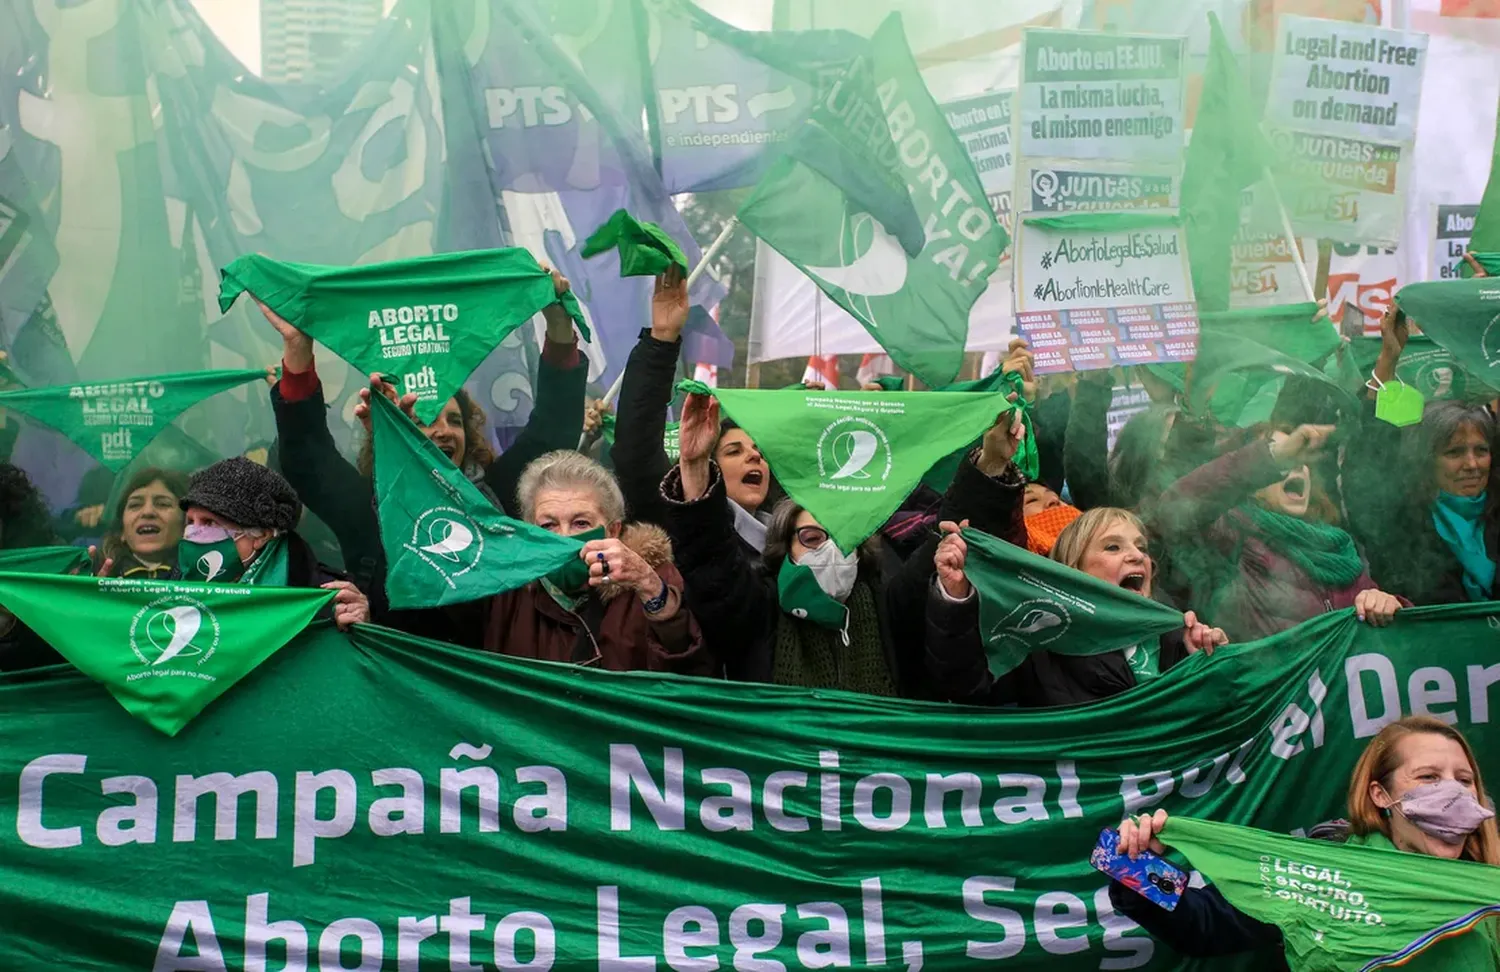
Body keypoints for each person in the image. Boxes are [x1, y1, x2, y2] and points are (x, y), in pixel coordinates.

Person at [262, 265, 586, 595]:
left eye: (455, 421)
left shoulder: (498, 494)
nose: (444, 431)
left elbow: (552, 431)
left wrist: (559, 325)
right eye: (422, 423)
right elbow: (307, 457)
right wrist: (298, 349)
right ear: (395, 438)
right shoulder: (366, 511)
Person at [1111, 716, 1500, 968]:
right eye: (1429, 777)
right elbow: (1203, 925)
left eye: (1464, 781)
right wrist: (1138, 864)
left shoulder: (1489, 882)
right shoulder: (1324, 875)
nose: (1452, 793)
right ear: (1381, 795)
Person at [661, 390, 925, 693]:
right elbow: (712, 568)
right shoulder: (761, 610)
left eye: (840, 539)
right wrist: (694, 466)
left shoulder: (886, 607)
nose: (829, 550)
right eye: (812, 537)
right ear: (786, 549)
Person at [404, 450, 710, 673]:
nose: (563, 537)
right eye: (548, 526)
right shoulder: (503, 589)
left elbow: (688, 675)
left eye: (580, 523)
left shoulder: (650, 576)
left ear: (613, 530)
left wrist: (651, 590)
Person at [925, 506, 1227, 707]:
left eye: (1142, 547)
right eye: (1113, 547)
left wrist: (1210, 666)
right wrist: (955, 595)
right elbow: (963, 688)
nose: (1137, 556)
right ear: (1075, 571)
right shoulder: (1042, 645)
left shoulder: (1180, 639)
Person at [1152, 422, 1405, 642]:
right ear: (1251, 484)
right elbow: (1175, 507)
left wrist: (1389, 605)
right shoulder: (1228, 539)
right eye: (1285, 462)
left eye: (1300, 460)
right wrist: (1273, 457)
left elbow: (1398, 641)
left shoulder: (1337, 546)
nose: (1296, 468)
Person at [1346, 307, 1500, 603]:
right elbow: (1369, 454)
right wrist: (1388, 358)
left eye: (1481, 451)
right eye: (1454, 452)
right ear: (1426, 458)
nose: (1471, 464)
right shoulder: (1399, 522)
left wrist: (1486, 321)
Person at [613, 268, 773, 552]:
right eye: (734, 451)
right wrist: (660, 340)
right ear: (709, 469)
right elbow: (636, 450)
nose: (755, 455)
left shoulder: (795, 543)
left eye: (758, 450)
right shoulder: (680, 524)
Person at [173, 458, 369, 629]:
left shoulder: (325, 597)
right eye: (190, 522)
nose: (193, 533)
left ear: (262, 535)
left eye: (209, 523)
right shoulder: (164, 590)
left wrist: (361, 629)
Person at [99, 467, 189, 579]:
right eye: (135, 505)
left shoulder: (206, 576)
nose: (147, 512)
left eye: (163, 504)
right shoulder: (91, 574)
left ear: (187, 522)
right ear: (122, 531)